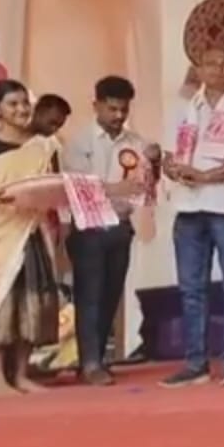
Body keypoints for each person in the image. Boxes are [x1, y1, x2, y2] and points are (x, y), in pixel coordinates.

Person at [159, 46, 224, 388]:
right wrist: (173, 170)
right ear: (198, 70)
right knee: (191, 289)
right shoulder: (182, 108)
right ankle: (195, 364)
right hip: (187, 208)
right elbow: (168, 157)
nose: (217, 69)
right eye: (210, 64)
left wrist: (204, 176)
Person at [62, 76, 158, 385]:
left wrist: (155, 163)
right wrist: (118, 188)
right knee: (89, 295)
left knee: (110, 295)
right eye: (112, 109)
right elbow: (78, 187)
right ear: (96, 105)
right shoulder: (79, 142)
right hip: (88, 226)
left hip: (121, 225)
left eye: (123, 110)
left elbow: (146, 186)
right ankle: (90, 362)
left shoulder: (136, 142)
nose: (118, 115)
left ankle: (97, 358)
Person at [0, 80, 60, 396]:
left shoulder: (43, 146)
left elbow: (53, 185)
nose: (21, 109)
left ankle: (21, 375)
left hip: (32, 230)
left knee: (32, 299)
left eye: (24, 103)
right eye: (12, 104)